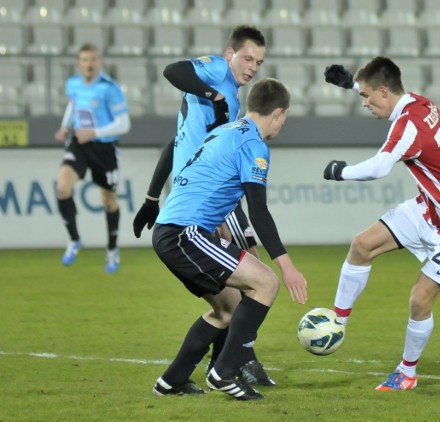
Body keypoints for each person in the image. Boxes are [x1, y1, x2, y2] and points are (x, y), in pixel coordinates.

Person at [322, 57, 440, 391]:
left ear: (384, 92)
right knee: (362, 245)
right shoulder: (418, 102)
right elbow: (382, 87)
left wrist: (341, 171)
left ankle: (407, 373)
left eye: (366, 96)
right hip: (430, 208)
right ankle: (336, 322)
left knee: (419, 300)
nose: (365, 103)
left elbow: (378, 168)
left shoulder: (408, 126)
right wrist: (351, 84)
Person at [132, 26, 273, 384]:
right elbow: (173, 71)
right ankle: (234, 363)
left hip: (195, 191)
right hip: (203, 197)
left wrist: (151, 198)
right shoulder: (216, 72)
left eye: (259, 61)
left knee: (236, 288)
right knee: (253, 275)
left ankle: (221, 364)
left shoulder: (232, 103)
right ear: (230, 53)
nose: (252, 66)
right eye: (247, 57)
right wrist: (212, 93)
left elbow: (175, 144)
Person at [152, 78, 308, 400]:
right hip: (186, 233)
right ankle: (225, 372)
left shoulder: (224, 131)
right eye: (285, 118)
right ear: (278, 114)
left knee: (228, 308)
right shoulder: (253, 144)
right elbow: (259, 211)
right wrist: (287, 266)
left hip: (172, 230)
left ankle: (172, 381)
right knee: (266, 283)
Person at [54, 42, 131, 273]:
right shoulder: (73, 84)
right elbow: (74, 103)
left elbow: (124, 124)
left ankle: (111, 248)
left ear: (100, 62)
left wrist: (95, 132)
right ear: (79, 64)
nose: (89, 64)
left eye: (93, 59)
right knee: (62, 187)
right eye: (85, 60)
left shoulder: (110, 88)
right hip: (79, 143)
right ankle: (75, 239)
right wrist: (64, 126)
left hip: (104, 147)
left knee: (108, 201)